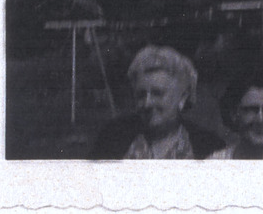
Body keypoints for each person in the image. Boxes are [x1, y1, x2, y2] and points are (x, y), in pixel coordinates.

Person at [91, 45, 224, 159]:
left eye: (157, 94)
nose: (147, 103)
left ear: (182, 98)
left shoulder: (208, 147)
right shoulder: (112, 138)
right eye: (141, 95)